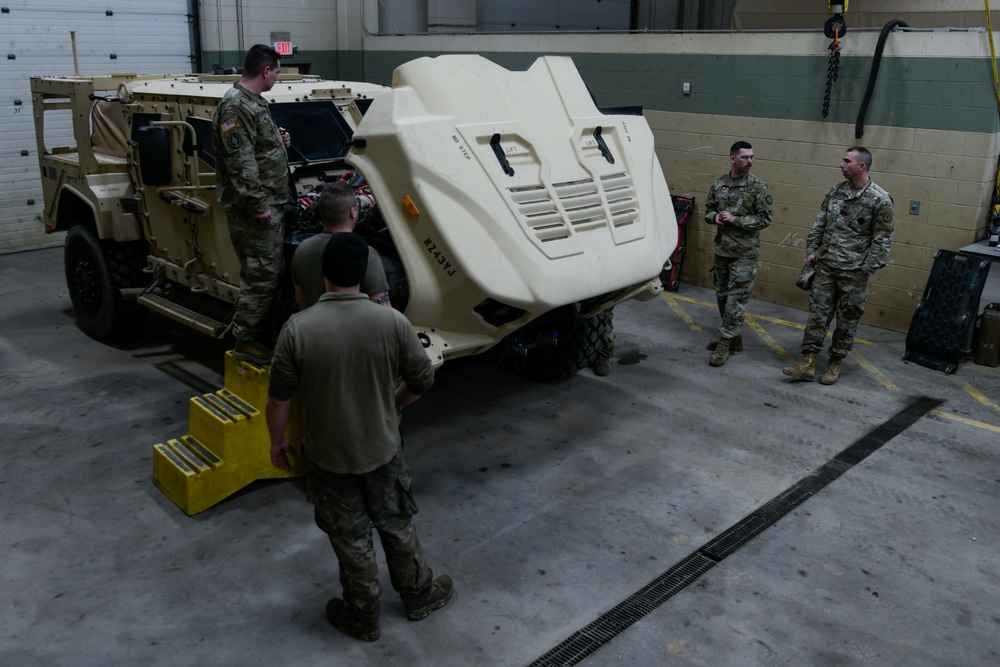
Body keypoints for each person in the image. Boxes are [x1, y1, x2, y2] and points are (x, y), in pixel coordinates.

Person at [266, 233, 452, 642]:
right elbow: (423, 377)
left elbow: (278, 399)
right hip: (383, 448)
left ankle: (363, 616)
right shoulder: (391, 322)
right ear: (365, 277)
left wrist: (277, 443)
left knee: (351, 540)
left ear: (324, 274)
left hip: (328, 458)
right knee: (397, 525)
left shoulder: (297, 329)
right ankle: (419, 595)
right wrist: (396, 405)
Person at [782, 146, 894, 385]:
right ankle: (808, 362)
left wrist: (864, 270)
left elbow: (882, 242)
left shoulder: (879, 199)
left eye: (846, 161)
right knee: (817, 317)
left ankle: (835, 362)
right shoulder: (837, 191)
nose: (841, 165)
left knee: (847, 320)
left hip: (853, 274)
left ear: (861, 166)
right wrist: (812, 250)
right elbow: (821, 221)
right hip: (826, 268)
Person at [212, 44, 293, 365]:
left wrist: (279, 139)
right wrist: (258, 205)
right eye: (277, 71)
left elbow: (256, 147)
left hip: (271, 201)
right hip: (255, 208)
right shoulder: (235, 107)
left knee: (272, 274)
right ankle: (245, 340)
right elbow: (239, 163)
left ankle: (261, 333)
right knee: (261, 275)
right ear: (265, 71)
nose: (278, 77)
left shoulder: (252, 103)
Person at [704, 141, 772, 367]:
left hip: (745, 254)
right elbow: (709, 210)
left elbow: (765, 219)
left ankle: (725, 343)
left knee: (736, 301)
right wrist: (715, 217)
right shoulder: (720, 184)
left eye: (752, 157)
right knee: (722, 296)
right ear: (733, 159)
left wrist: (735, 220)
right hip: (722, 250)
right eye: (745, 157)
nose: (750, 161)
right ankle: (735, 338)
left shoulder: (758, 187)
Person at [291, 182, 390, 310]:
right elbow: (383, 308)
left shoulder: (302, 250)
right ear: (353, 212)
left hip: (315, 327)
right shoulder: (366, 253)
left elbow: (300, 300)